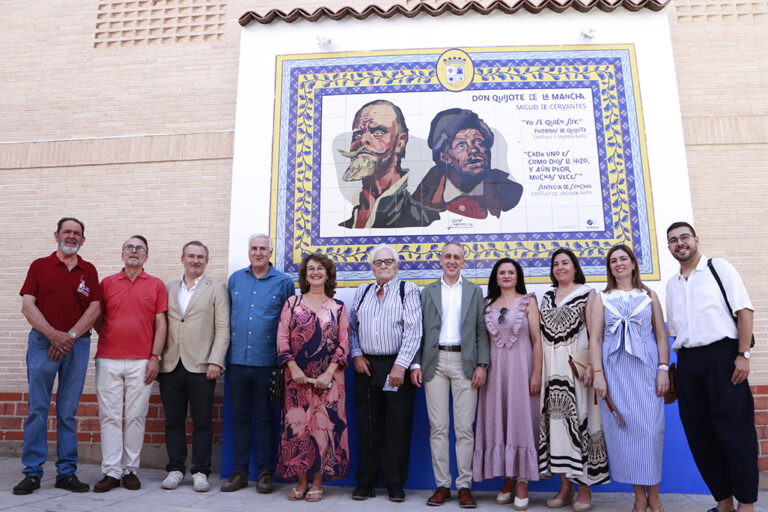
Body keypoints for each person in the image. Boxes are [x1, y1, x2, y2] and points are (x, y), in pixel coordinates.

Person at [665, 221, 758, 512]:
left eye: (684, 237)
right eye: (673, 240)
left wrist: (743, 354)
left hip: (723, 358)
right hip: (688, 363)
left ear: (696, 239)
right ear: (669, 247)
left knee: (736, 434)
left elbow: (744, 310)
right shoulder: (671, 285)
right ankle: (723, 503)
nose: (679, 243)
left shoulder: (719, 268)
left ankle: (746, 505)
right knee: (700, 436)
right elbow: (675, 332)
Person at [14, 217, 101, 495]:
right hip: (42, 343)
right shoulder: (39, 266)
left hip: (77, 346)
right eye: (67, 231)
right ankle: (32, 473)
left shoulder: (89, 270)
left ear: (83, 239)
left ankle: (66, 472)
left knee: (67, 411)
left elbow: (95, 308)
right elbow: (28, 305)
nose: (71, 236)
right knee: (37, 409)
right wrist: (53, 335)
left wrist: (69, 337)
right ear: (57, 235)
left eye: (77, 233)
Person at [588, 244, 669, 512]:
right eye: (613, 260)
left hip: (646, 373)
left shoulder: (649, 296)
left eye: (624, 258)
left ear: (634, 263)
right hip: (615, 374)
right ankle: (639, 498)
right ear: (609, 267)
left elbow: (660, 335)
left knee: (651, 432)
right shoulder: (602, 298)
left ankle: (654, 496)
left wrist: (663, 368)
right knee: (626, 433)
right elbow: (595, 338)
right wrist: (598, 374)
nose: (619, 263)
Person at [411, 242, 490, 508]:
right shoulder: (428, 292)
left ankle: (464, 486)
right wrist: (416, 364)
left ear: (463, 262)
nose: (452, 261)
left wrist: (482, 364)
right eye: (448, 256)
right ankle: (443, 485)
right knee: (438, 428)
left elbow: (481, 330)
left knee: (465, 428)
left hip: (465, 362)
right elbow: (419, 330)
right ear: (441, 260)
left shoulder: (474, 291)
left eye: (457, 257)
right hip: (434, 362)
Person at [93, 235, 168, 492]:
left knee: (136, 416)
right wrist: (112, 337)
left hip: (142, 362)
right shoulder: (107, 283)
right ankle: (111, 471)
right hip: (108, 359)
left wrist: (155, 357)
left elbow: (161, 323)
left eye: (139, 248)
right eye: (129, 247)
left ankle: (130, 470)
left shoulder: (156, 285)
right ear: (122, 253)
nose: (134, 251)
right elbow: (97, 318)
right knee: (109, 416)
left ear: (146, 256)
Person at [349, 244, 422, 502]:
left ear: (397, 265)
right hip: (366, 366)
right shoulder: (362, 291)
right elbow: (352, 328)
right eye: (378, 262)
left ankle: (395, 483)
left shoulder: (407, 290)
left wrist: (401, 365)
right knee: (367, 426)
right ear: (371, 267)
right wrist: (356, 354)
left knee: (397, 428)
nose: (383, 266)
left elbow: (414, 330)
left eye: (388, 261)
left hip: (397, 364)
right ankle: (365, 482)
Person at [223, 233, 295, 493]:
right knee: (240, 418)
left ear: (270, 252)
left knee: (265, 419)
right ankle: (239, 473)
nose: (258, 252)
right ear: (248, 251)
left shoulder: (284, 283)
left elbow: (289, 324)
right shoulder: (235, 280)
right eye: (254, 248)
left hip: (268, 363)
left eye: (263, 248)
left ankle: (266, 473)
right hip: (237, 362)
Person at [538, 248, 608, 511]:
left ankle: (584, 488)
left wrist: (592, 365)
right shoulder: (547, 296)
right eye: (556, 264)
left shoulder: (589, 294)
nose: (560, 268)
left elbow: (595, 333)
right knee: (557, 426)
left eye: (565, 263)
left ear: (575, 267)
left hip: (576, 370)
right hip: (551, 370)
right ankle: (565, 487)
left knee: (581, 422)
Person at [276, 253, 350, 502]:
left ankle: (317, 483)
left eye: (320, 268)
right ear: (305, 275)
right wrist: (293, 368)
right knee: (298, 430)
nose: (315, 272)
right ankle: (301, 482)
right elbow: (282, 338)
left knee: (323, 430)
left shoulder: (338, 307)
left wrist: (328, 374)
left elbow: (344, 344)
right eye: (311, 268)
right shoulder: (292, 303)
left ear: (328, 274)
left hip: (329, 382)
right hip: (295, 380)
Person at [159, 241, 230, 492]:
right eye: (191, 256)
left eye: (200, 257)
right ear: (183, 259)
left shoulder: (217, 289)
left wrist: (216, 361)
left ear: (206, 261)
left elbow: (222, 328)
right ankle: (175, 469)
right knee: (173, 421)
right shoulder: (167, 288)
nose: (195, 260)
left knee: (202, 422)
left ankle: (201, 471)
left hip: (202, 366)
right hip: (170, 364)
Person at [473, 258, 543, 511]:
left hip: (522, 370)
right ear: (496, 277)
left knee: (521, 420)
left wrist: (536, 373)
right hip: (495, 373)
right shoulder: (486, 304)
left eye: (511, 272)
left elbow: (537, 340)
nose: (506, 276)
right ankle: (507, 478)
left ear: (517, 276)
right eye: (501, 272)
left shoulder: (529, 301)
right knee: (498, 422)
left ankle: (522, 481)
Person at [338, 99, 439, 228]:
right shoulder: (347, 224)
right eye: (357, 135)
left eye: (377, 133)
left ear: (400, 142)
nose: (362, 140)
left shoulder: (425, 219)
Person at [412, 108, 523, 219]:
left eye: (478, 141)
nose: (473, 150)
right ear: (445, 157)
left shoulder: (509, 193)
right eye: (461, 146)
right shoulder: (421, 200)